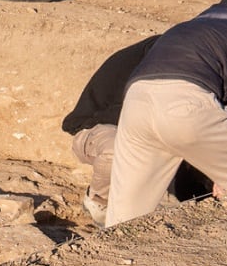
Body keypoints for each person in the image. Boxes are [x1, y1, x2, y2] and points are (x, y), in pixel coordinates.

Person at [106, 0, 227, 228]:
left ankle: (112, 260)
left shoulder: (187, 28)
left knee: (124, 216)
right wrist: (224, 171)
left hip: (136, 103)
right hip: (186, 105)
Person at [62, 35, 160, 225]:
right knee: (116, 148)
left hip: (140, 132)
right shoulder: (151, 58)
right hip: (95, 130)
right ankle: (99, 201)